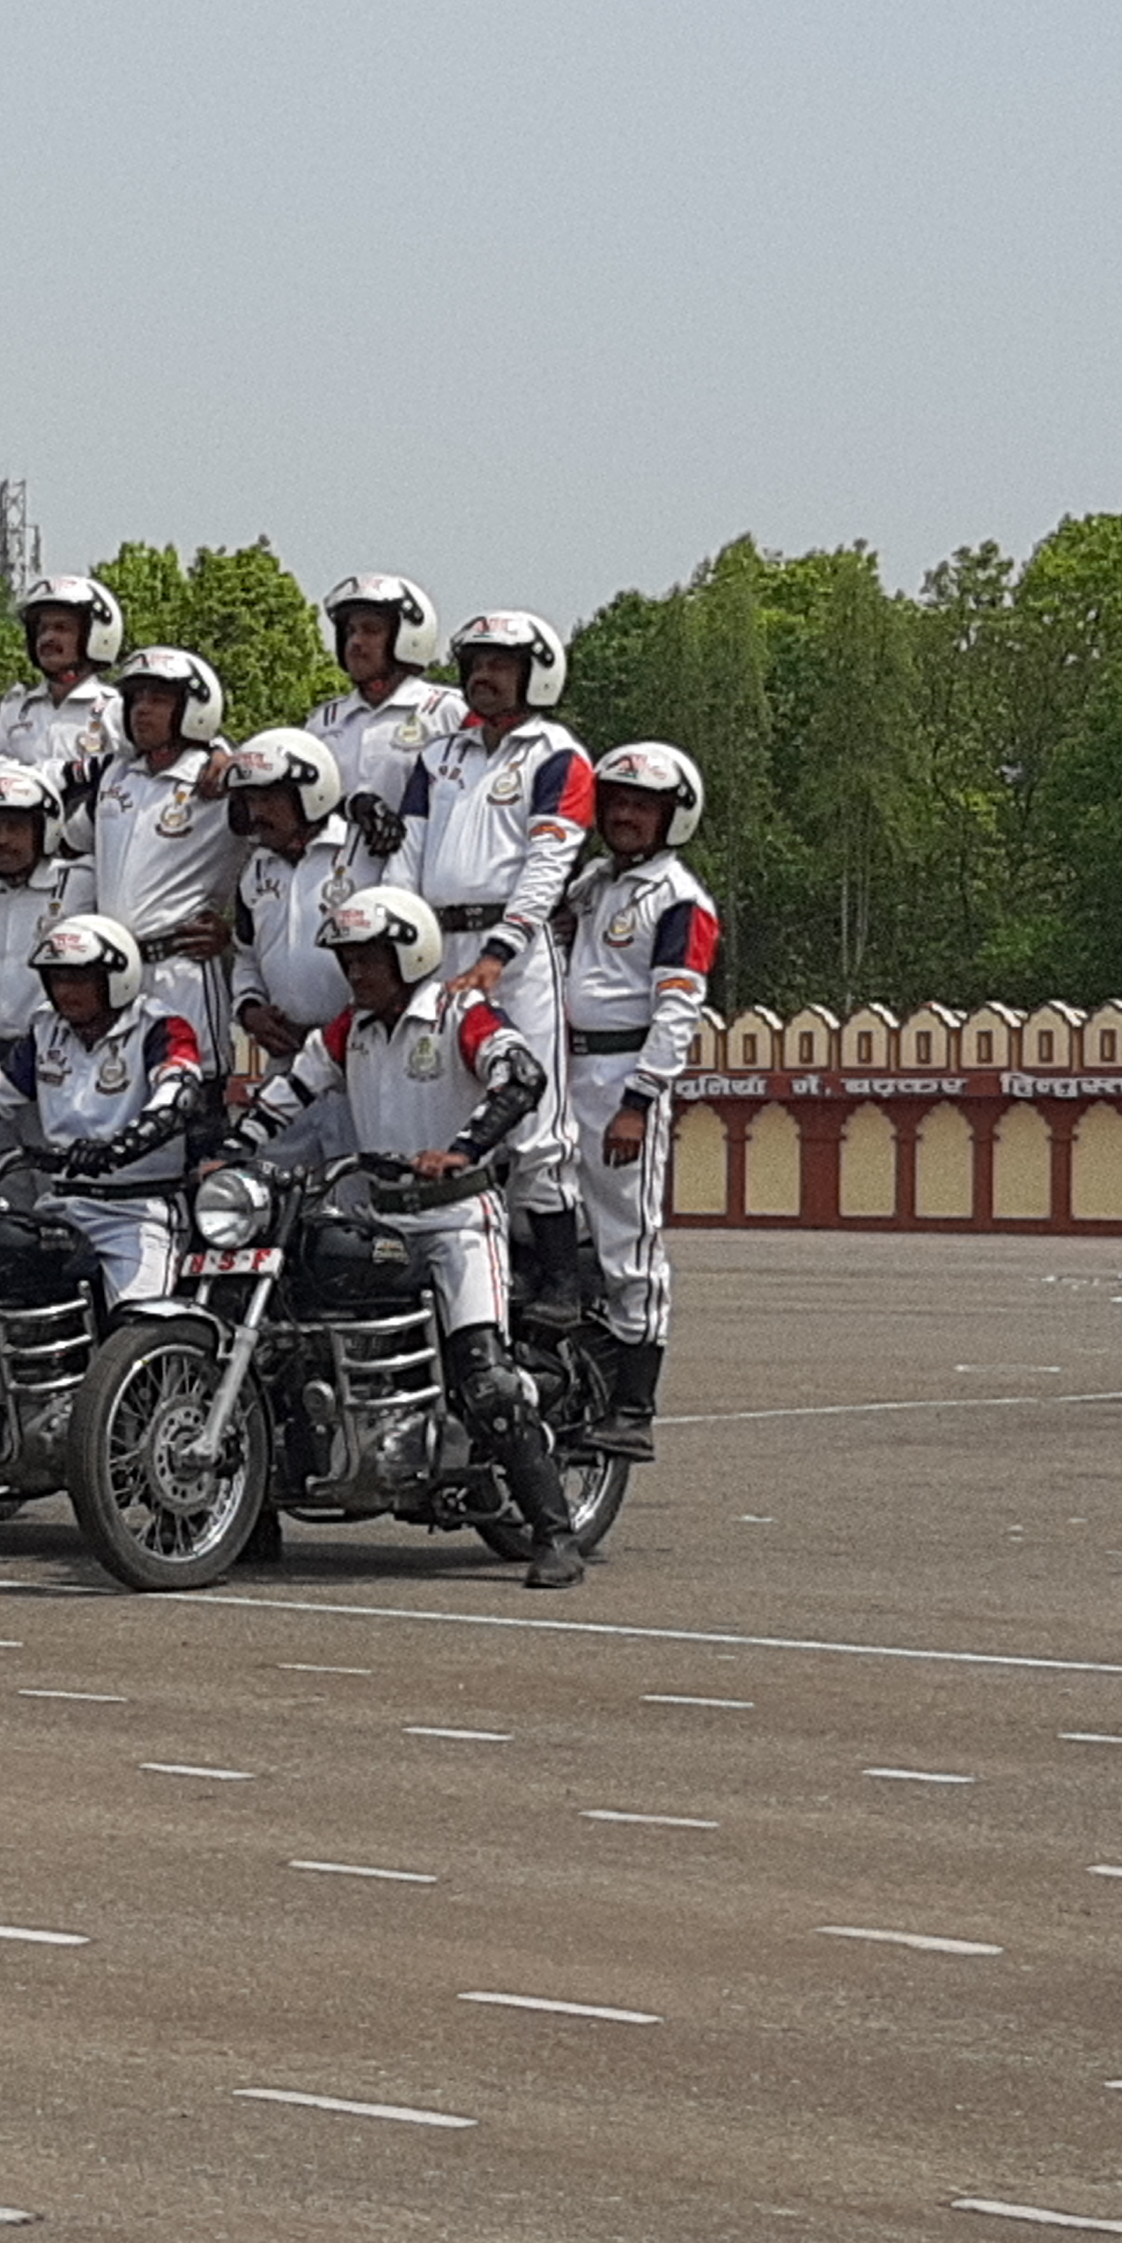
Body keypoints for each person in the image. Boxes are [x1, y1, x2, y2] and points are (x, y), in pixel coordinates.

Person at [231, 888, 582, 1586]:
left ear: (409, 954)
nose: (357, 973)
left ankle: (554, 1533)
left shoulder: (460, 1012)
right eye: (350, 960)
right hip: (378, 1214)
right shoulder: (346, 1031)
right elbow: (290, 1092)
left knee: (484, 1378)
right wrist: (233, 1149)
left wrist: (463, 1146)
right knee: (287, 1336)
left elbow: (522, 1077)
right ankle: (258, 1508)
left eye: (370, 959)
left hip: (457, 1217)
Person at [407, 609, 600, 1260]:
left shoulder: (559, 757)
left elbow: (548, 866)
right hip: (437, 947)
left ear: (535, 675)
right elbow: (407, 854)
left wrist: (499, 952)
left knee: (534, 1120)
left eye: (499, 665)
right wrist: (404, 941)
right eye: (476, 664)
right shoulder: (438, 757)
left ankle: (559, 1286)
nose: (483, 676)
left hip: (515, 953)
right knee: (439, 1105)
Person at [553, 741, 718, 1476]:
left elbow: (678, 1009)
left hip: (623, 1072)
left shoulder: (680, 898)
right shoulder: (593, 885)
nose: (624, 815)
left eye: (641, 806)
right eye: (615, 802)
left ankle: (633, 1407)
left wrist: (639, 1100)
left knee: (629, 1238)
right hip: (566, 1065)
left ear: (671, 817)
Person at [0, 911, 214, 1310]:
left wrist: (121, 1147)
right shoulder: (45, 1029)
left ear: (116, 979)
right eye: (58, 978)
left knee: (139, 1322)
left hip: (137, 1212)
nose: (66, 991)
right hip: (62, 1206)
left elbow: (178, 1093)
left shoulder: (161, 1028)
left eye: (80, 978)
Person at [221, 730, 387, 1142]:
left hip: (359, 1060)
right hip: (284, 1062)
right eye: (250, 800)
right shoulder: (255, 870)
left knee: (353, 1195)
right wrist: (249, 1009)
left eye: (269, 798)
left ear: (310, 792)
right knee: (269, 1192)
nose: (257, 812)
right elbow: (245, 955)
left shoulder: (364, 851)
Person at [91, 646, 238, 1033]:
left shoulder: (219, 781)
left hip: (180, 973)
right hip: (114, 972)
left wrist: (236, 931)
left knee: (192, 1084)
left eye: (158, 700)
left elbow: (277, 858)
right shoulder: (116, 775)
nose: (142, 709)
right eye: (136, 699)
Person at [0, 758, 87, 1078]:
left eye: (15, 827)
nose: (2, 841)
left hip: (57, 1065)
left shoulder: (81, 882)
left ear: (44, 828)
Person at [307, 574, 455, 847]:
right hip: (336, 878)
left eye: (370, 630)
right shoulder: (324, 722)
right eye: (350, 631)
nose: (356, 643)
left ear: (408, 637)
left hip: (416, 876)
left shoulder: (446, 711)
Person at [0, 573, 130, 821]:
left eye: (61, 628)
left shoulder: (117, 709)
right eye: (42, 629)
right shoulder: (12, 710)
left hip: (88, 852)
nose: (47, 638)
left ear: (95, 635)